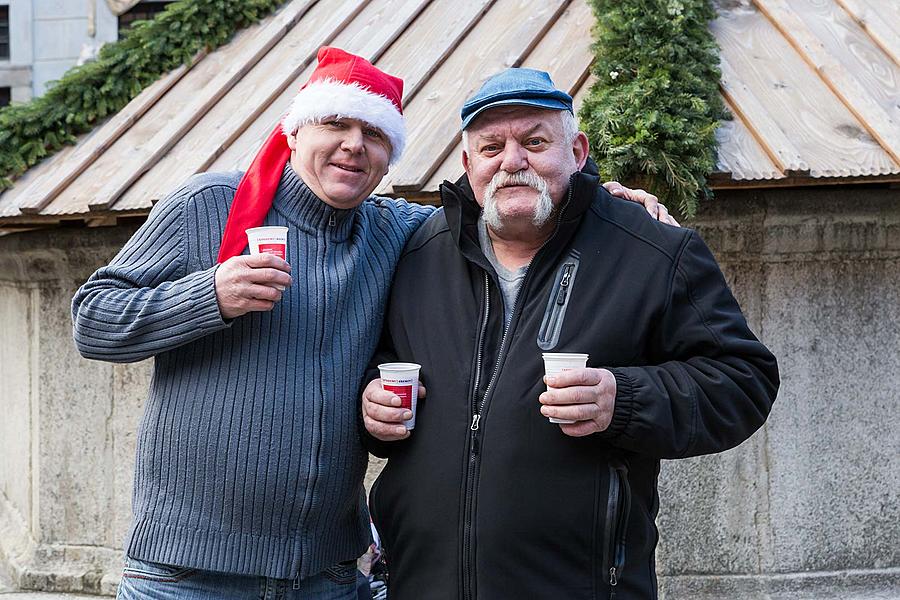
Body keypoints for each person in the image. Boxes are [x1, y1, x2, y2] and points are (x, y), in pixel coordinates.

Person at [71, 48, 663, 598]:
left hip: (325, 575)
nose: (354, 145)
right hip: (188, 575)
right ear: (294, 132)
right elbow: (93, 321)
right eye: (336, 124)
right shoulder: (209, 206)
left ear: (388, 156)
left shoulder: (394, 231)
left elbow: (500, 204)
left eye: (374, 134)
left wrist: (599, 206)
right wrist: (209, 295)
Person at [361, 68, 780, 600]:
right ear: (468, 166)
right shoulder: (417, 253)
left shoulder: (652, 251)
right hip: (423, 584)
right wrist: (373, 406)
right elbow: (380, 363)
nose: (512, 162)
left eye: (534, 142)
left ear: (577, 151)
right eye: (491, 147)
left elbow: (743, 382)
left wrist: (622, 399)